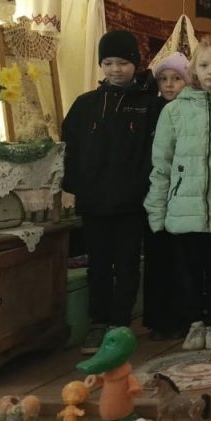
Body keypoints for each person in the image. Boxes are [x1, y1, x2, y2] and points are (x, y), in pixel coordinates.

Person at [144, 38, 211, 352]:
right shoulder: (174, 112)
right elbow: (161, 165)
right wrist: (157, 210)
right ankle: (194, 322)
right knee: (187, 270)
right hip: (182, 209)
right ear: (194, 70)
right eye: (204, 65)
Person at [62, 30, 160, 354]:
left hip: (132, 203)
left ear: (135, 63)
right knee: (99, 264)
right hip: (93, 202)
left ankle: (120, 323)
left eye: (123, 62)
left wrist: (143, 189)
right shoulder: (85, 105)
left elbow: (154, 154)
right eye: (108, 63)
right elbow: (69, 149)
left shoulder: (149, 106)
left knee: (128, 264)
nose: (116, 69)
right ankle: (98, 322)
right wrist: (73, 186)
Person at [143, 52, 190, 341]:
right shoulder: (151, 110)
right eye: (164, 79)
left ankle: (184, 317)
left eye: (176, 79)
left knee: (182, 258)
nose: (169, 85)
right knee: (157, 257)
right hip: (156, 191)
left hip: (184, 193)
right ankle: (159, 320)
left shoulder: (191, 110)